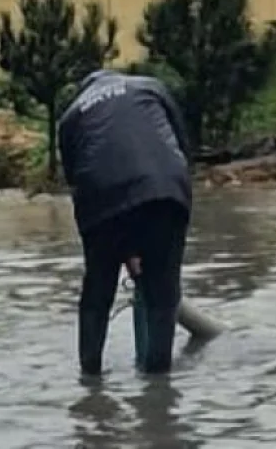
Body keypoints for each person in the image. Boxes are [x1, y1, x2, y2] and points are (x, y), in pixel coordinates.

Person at [58, 69, 194, 376]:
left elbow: (74, 176)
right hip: (165, 189)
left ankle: (89, 377)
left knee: (97, 293)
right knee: (162, 294)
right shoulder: (151, 86)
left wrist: (124, 246)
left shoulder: (70, 115)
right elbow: (183, 148)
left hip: (100, 201)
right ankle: (158, 386)